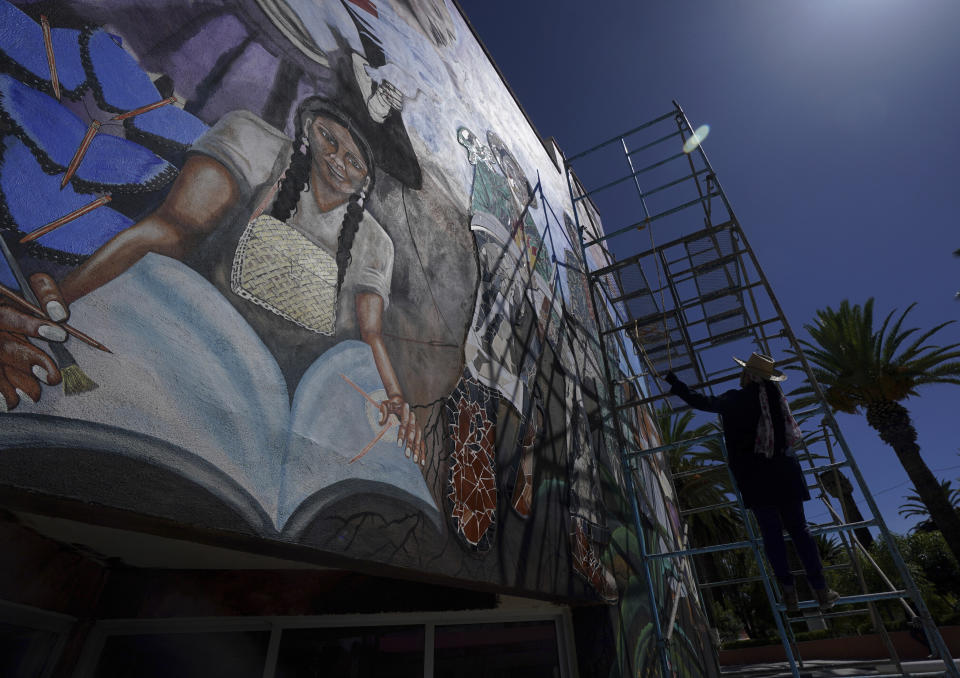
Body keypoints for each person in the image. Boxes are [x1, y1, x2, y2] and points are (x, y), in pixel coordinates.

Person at [0, 95, 424, 460]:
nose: (335, 160)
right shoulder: (254, 145)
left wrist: (397, 399)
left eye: (353, 161)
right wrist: (62, 303)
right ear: (310, 125)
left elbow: (370, 335)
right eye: (329, 139)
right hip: (179, 341)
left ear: (367, 178)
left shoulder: (375, 245)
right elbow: (171, 229)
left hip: (271, 406)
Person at [664, 353, 839, 612]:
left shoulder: (736, 398)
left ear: (748, 375)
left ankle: (788, 593)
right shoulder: (778, 402)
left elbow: (701, 402)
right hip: (785, 472)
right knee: (800, 530)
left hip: (755, 477)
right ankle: (821, 590)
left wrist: (675, 382)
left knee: (771, 534)